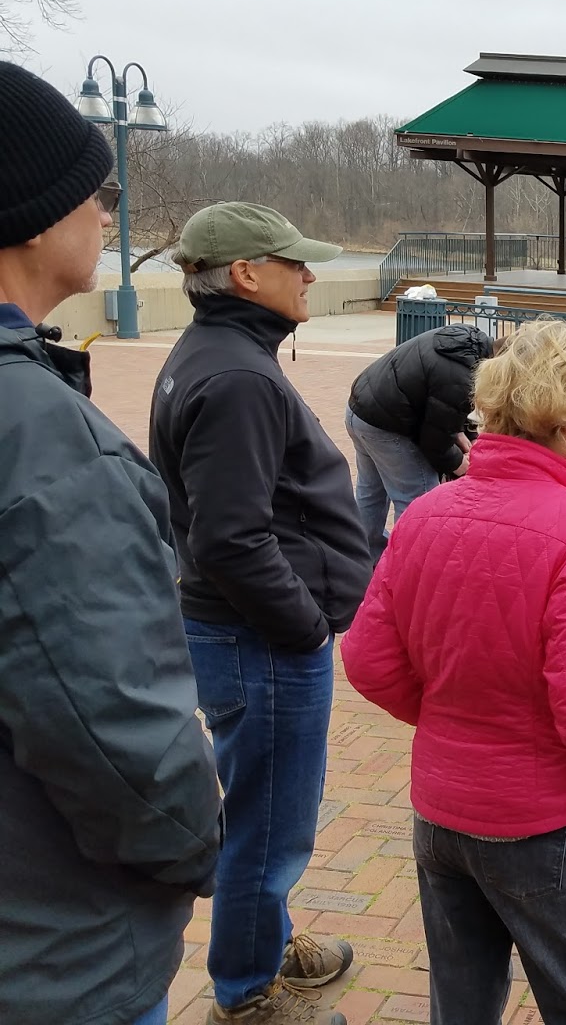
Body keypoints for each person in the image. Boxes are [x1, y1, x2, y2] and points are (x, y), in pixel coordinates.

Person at [344, 320, 566, 1025]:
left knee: (462, 1000)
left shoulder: (426, 514)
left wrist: (453, 720)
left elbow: (366, 657)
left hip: (443, 806)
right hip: (541, 819)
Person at [0, 61, 221, 1025]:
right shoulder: (40, 438)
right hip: (55, 956)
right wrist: (194, 840)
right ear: (35, 216)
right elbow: (112, 727)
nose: (105, 211)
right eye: (100, 190)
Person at [149, 202, 372, 1025]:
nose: (309, 275)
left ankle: (264, 939)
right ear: (246, 274)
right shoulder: (238, 374)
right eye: (295, 263)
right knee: (270, 825)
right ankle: (246, 993)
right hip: (260, 639)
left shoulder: (222, 352)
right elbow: (232, 539)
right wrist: (305, 626)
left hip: (247, 633)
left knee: (268, 812)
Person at [346, 323, 494, 559]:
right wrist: (460, 464)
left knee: (371, 492)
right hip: (385, 424)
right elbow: (434, 442)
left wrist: (461, 437)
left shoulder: (467, 344)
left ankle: (361, 558)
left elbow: (438, 406)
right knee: (418, 498)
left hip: (361, 409)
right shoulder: (461, 378)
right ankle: (411, 565)